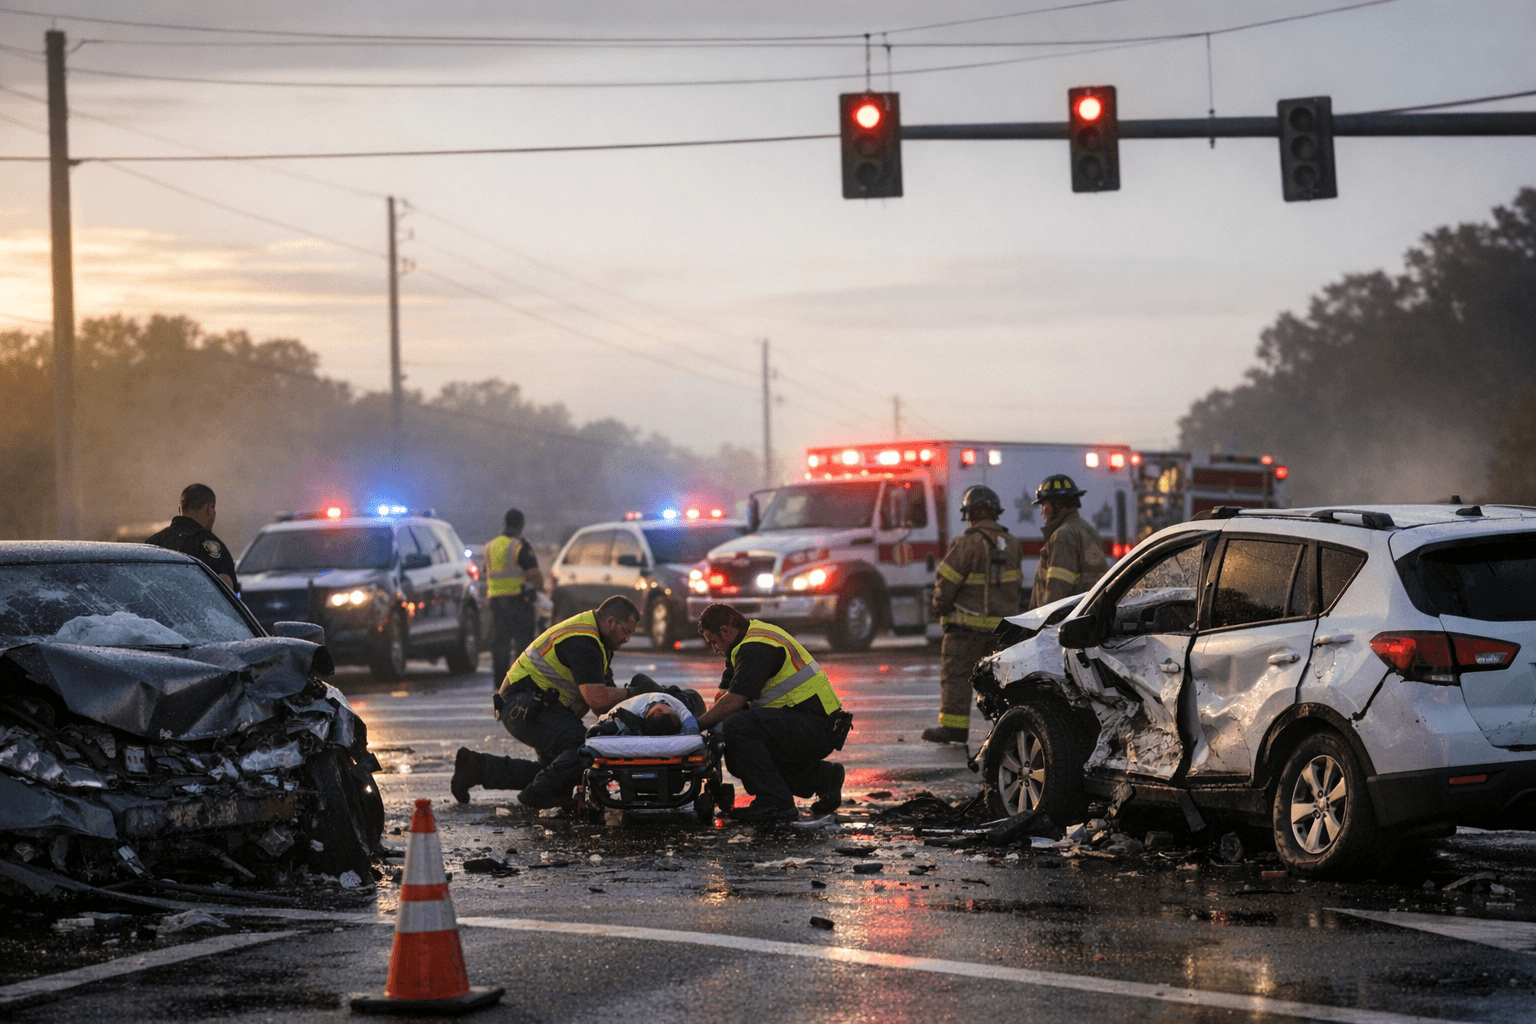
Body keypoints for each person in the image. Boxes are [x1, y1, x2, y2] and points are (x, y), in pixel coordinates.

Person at [449, 595, 640, 809]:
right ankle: (536, 796)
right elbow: (596, 698)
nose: (627, 639)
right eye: (626, 631)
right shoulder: (584, 640)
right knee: (581, 749)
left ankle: (476, 767)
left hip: (532, 705)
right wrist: (634, 692)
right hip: (523, 704)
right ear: (611, 622)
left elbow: (604, 705)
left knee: (563, 773)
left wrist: (637, 706)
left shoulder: (598, 641)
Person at [695, 604, 847, 822]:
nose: (714, 648)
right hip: (807, 724)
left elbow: (734, 702)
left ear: (726, 631)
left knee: (738, 727)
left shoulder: (756, 647)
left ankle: (776, 803)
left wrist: (694, 726)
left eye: (714, 641)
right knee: (738, 755)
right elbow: (723, 701)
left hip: (815, 726)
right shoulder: (744, 646)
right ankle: (823, 778)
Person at [925, 484, 1023, 745]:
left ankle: (954, 730)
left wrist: (939, 607)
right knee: (1000, 683)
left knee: (956, 679)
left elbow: (946, 584)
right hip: (1001, 632)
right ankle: (1006, 728)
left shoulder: (966, 544)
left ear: (974, 513)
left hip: (965, 631)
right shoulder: (1012, 544)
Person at [1029, 474, 1109, 611]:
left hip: (1065, 620)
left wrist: (1043, 621)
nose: (1042, 512)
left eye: (1044, 505)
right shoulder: (1087, 529)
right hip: (1086, 615)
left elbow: (1057, 588)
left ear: (1058, 505)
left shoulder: (1063, 535)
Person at [484, 508, 542, 689]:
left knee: (500, 641)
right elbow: (535, 575)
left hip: (495, 600)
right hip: (518, 600)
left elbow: (486, 573)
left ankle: (499, 681)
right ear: (521, 526)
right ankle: (520, 680)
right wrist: (537, 588)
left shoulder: (490, 547)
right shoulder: (519, 546)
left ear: (505, 523)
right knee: (523, 641)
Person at [146, 483, 238, 591]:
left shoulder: (153, 542)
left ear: (179, 509)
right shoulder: (212, 546)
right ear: (209, 509)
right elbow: (228, 593)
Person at [586, 690, 700, 737]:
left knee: (639, 679)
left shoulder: (630, 713)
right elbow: (692, 729)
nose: (660, 708)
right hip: (686, 697)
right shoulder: (678, 707)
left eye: (658, 712)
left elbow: (600, 727)